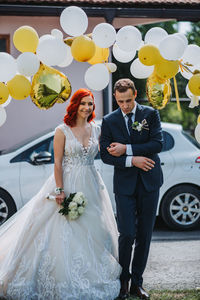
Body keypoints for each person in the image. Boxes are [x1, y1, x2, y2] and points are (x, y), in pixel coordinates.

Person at [0, 88, 121, 300]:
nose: (86, 108)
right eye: (83, 103)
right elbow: (57, 164)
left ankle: (92, 275)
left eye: (90, 104)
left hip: (91, 184)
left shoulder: (96, 129)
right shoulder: (62, 130)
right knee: (65, 228)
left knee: (94, 229)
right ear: (75, 105)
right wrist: (60, 190)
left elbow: (104, 151)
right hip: (68, 181)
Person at [100, 78, 163, 300]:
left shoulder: (150, 114)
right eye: (120, 102)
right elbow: (106, 155)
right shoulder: (109, 121)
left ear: (135, 94)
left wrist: (127, 149)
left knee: (144, 235)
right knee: (126, 234)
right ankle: (123, 283)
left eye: (128, 100)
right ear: (115, 99)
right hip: (124, 186)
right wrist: (131, 160)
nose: (125, 106)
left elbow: (158, 144)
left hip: (149, 182)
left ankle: (137, 283)